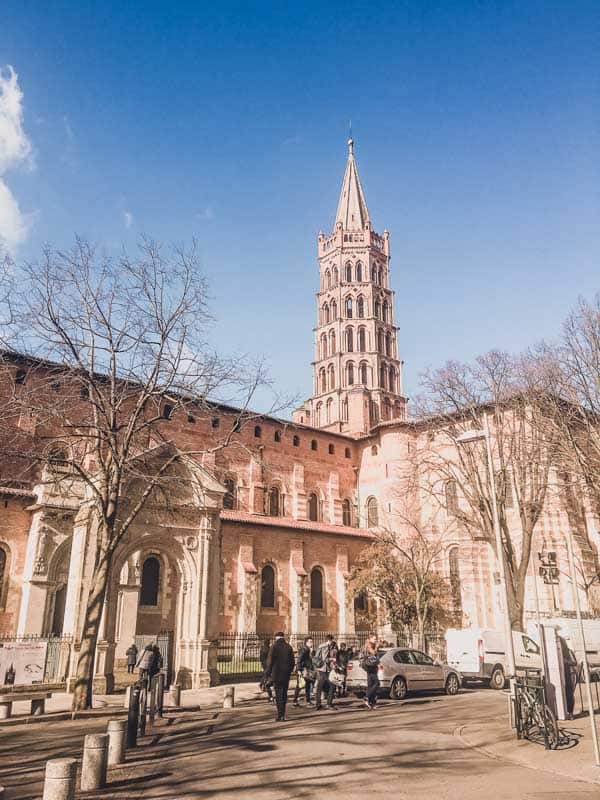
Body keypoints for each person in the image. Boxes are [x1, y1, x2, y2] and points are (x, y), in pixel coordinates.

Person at [266, 631, 296, 722]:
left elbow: (270, 662)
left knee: (279, 695)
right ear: (283, 637)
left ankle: (280, 715)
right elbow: (292, 662)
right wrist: (289, 671)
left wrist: (268, 673)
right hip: (286, 675)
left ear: (276, 637)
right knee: (284, 694)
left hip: (276, 674)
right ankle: (283, 713)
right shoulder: (288, 647)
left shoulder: (274, 647)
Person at [314, 634, 338, 710]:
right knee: (331, 686)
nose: (332, 642)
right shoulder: (324, 647)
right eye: (331, 641)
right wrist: (332, 659)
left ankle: (319, 704)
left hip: (323, 669)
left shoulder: (323, 646)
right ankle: (328, 704)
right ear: (329, 640)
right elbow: (325, 659)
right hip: (324, 669)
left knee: (320, 687)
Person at [559, 635, 578, 719]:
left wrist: (564, 661)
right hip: (561, 675)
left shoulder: (568, 651)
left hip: (569, 674)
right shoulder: (556, 652)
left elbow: (574, 662)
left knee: (569, 693)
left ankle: (570, 713)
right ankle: (566, 712)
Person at [293, 637, 315, 706]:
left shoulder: (308, 649)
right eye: (310, 642)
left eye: (312, 641)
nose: (312, 643)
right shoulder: (304, 650)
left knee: (307, 685)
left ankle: (307, 701)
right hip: (303, 670)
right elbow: (299, 660)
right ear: (306, 642)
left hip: (307, 670)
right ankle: (295, 701)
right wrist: (299, 670)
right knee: (299, 685)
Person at [361, 633, 380, 710]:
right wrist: (377, 647)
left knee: (371, 684)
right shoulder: (369, 645)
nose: (376, 640)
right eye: (374, 639)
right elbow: (373, 653)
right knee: (376, 683)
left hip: (370, 666)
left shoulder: (368, 644)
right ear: (371, 638)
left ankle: (371, 702)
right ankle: (366, 697)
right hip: (371, 666)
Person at [259, 637, 274, 702]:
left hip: (264, 664)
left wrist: (262, 663)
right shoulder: (269, 649)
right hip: (268, 664)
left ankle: (262, 684)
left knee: (265, 674)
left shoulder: (262, 649)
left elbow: (261, 657)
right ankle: (263, 684)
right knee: (267, 675)